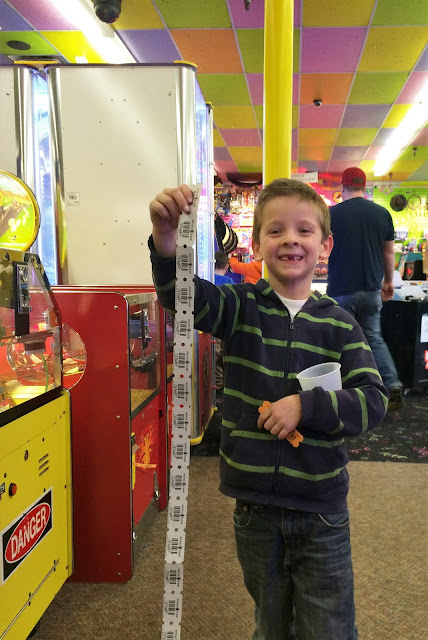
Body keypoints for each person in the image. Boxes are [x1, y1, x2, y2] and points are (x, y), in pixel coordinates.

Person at [149, 178, 388, 640]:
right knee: (271, 622)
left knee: (330, 628)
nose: (290, 239)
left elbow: (372, 400)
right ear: (256, 245)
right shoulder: (239, 308)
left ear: (325, 246)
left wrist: (305, 405)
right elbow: (181, 298)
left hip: (321, 511)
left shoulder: (340, 325)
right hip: (254, 510)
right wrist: (165, 238)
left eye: (304, 230)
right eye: (275, 230)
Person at [327, 167, 403, 412]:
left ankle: (345, 392)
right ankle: (392, 384)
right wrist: (388, 282)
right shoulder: (382, 213)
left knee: (340, 340)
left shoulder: (331, 214)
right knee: (374, 338)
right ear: (365, 186)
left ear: (343, 187)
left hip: (340, 288)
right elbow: (388, 253)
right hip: (371, 288)